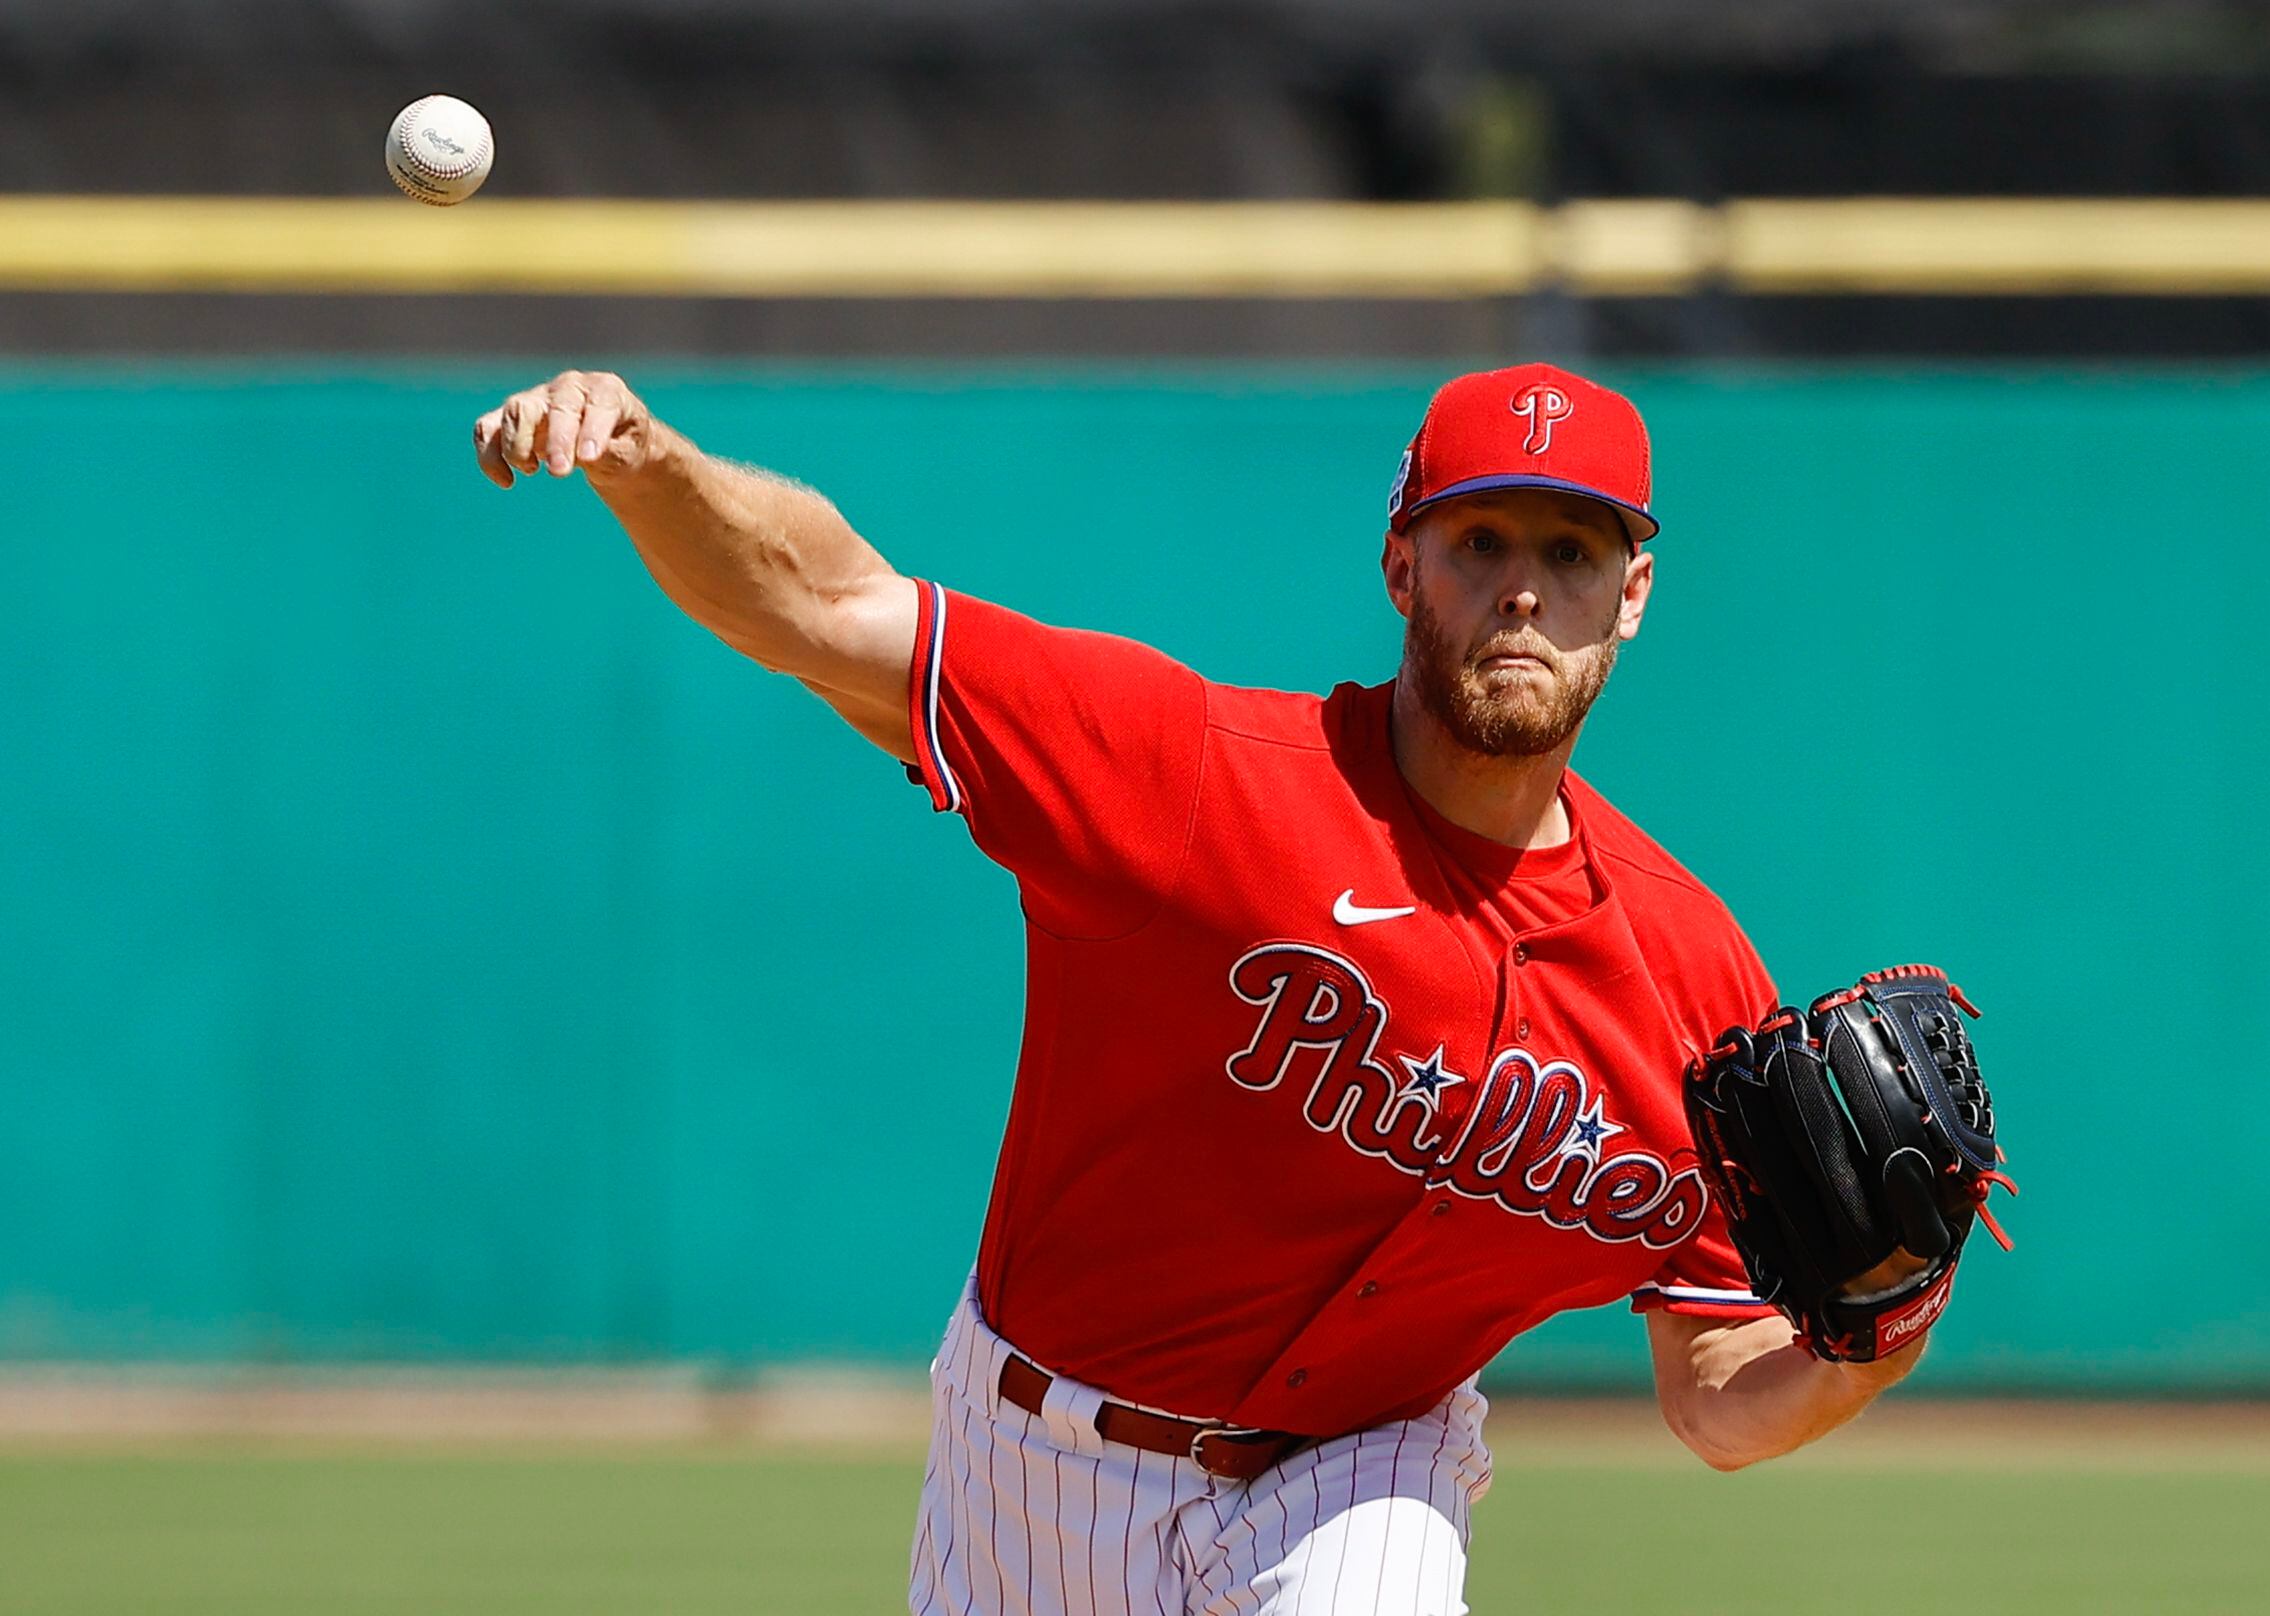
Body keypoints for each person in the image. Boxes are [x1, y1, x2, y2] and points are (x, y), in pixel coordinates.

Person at [472, 362, 1929, 1615]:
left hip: (1367, 1471)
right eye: (1481, 538)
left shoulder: (1693, 983)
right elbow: (832, 605)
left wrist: (1868, 1345)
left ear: (1636, 592)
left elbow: (1715, 1394)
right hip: (1035, 1456)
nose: (1527, 588)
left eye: (1575, 547)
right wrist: (650, 466)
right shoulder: (1196, 780)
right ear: (1401, 565)